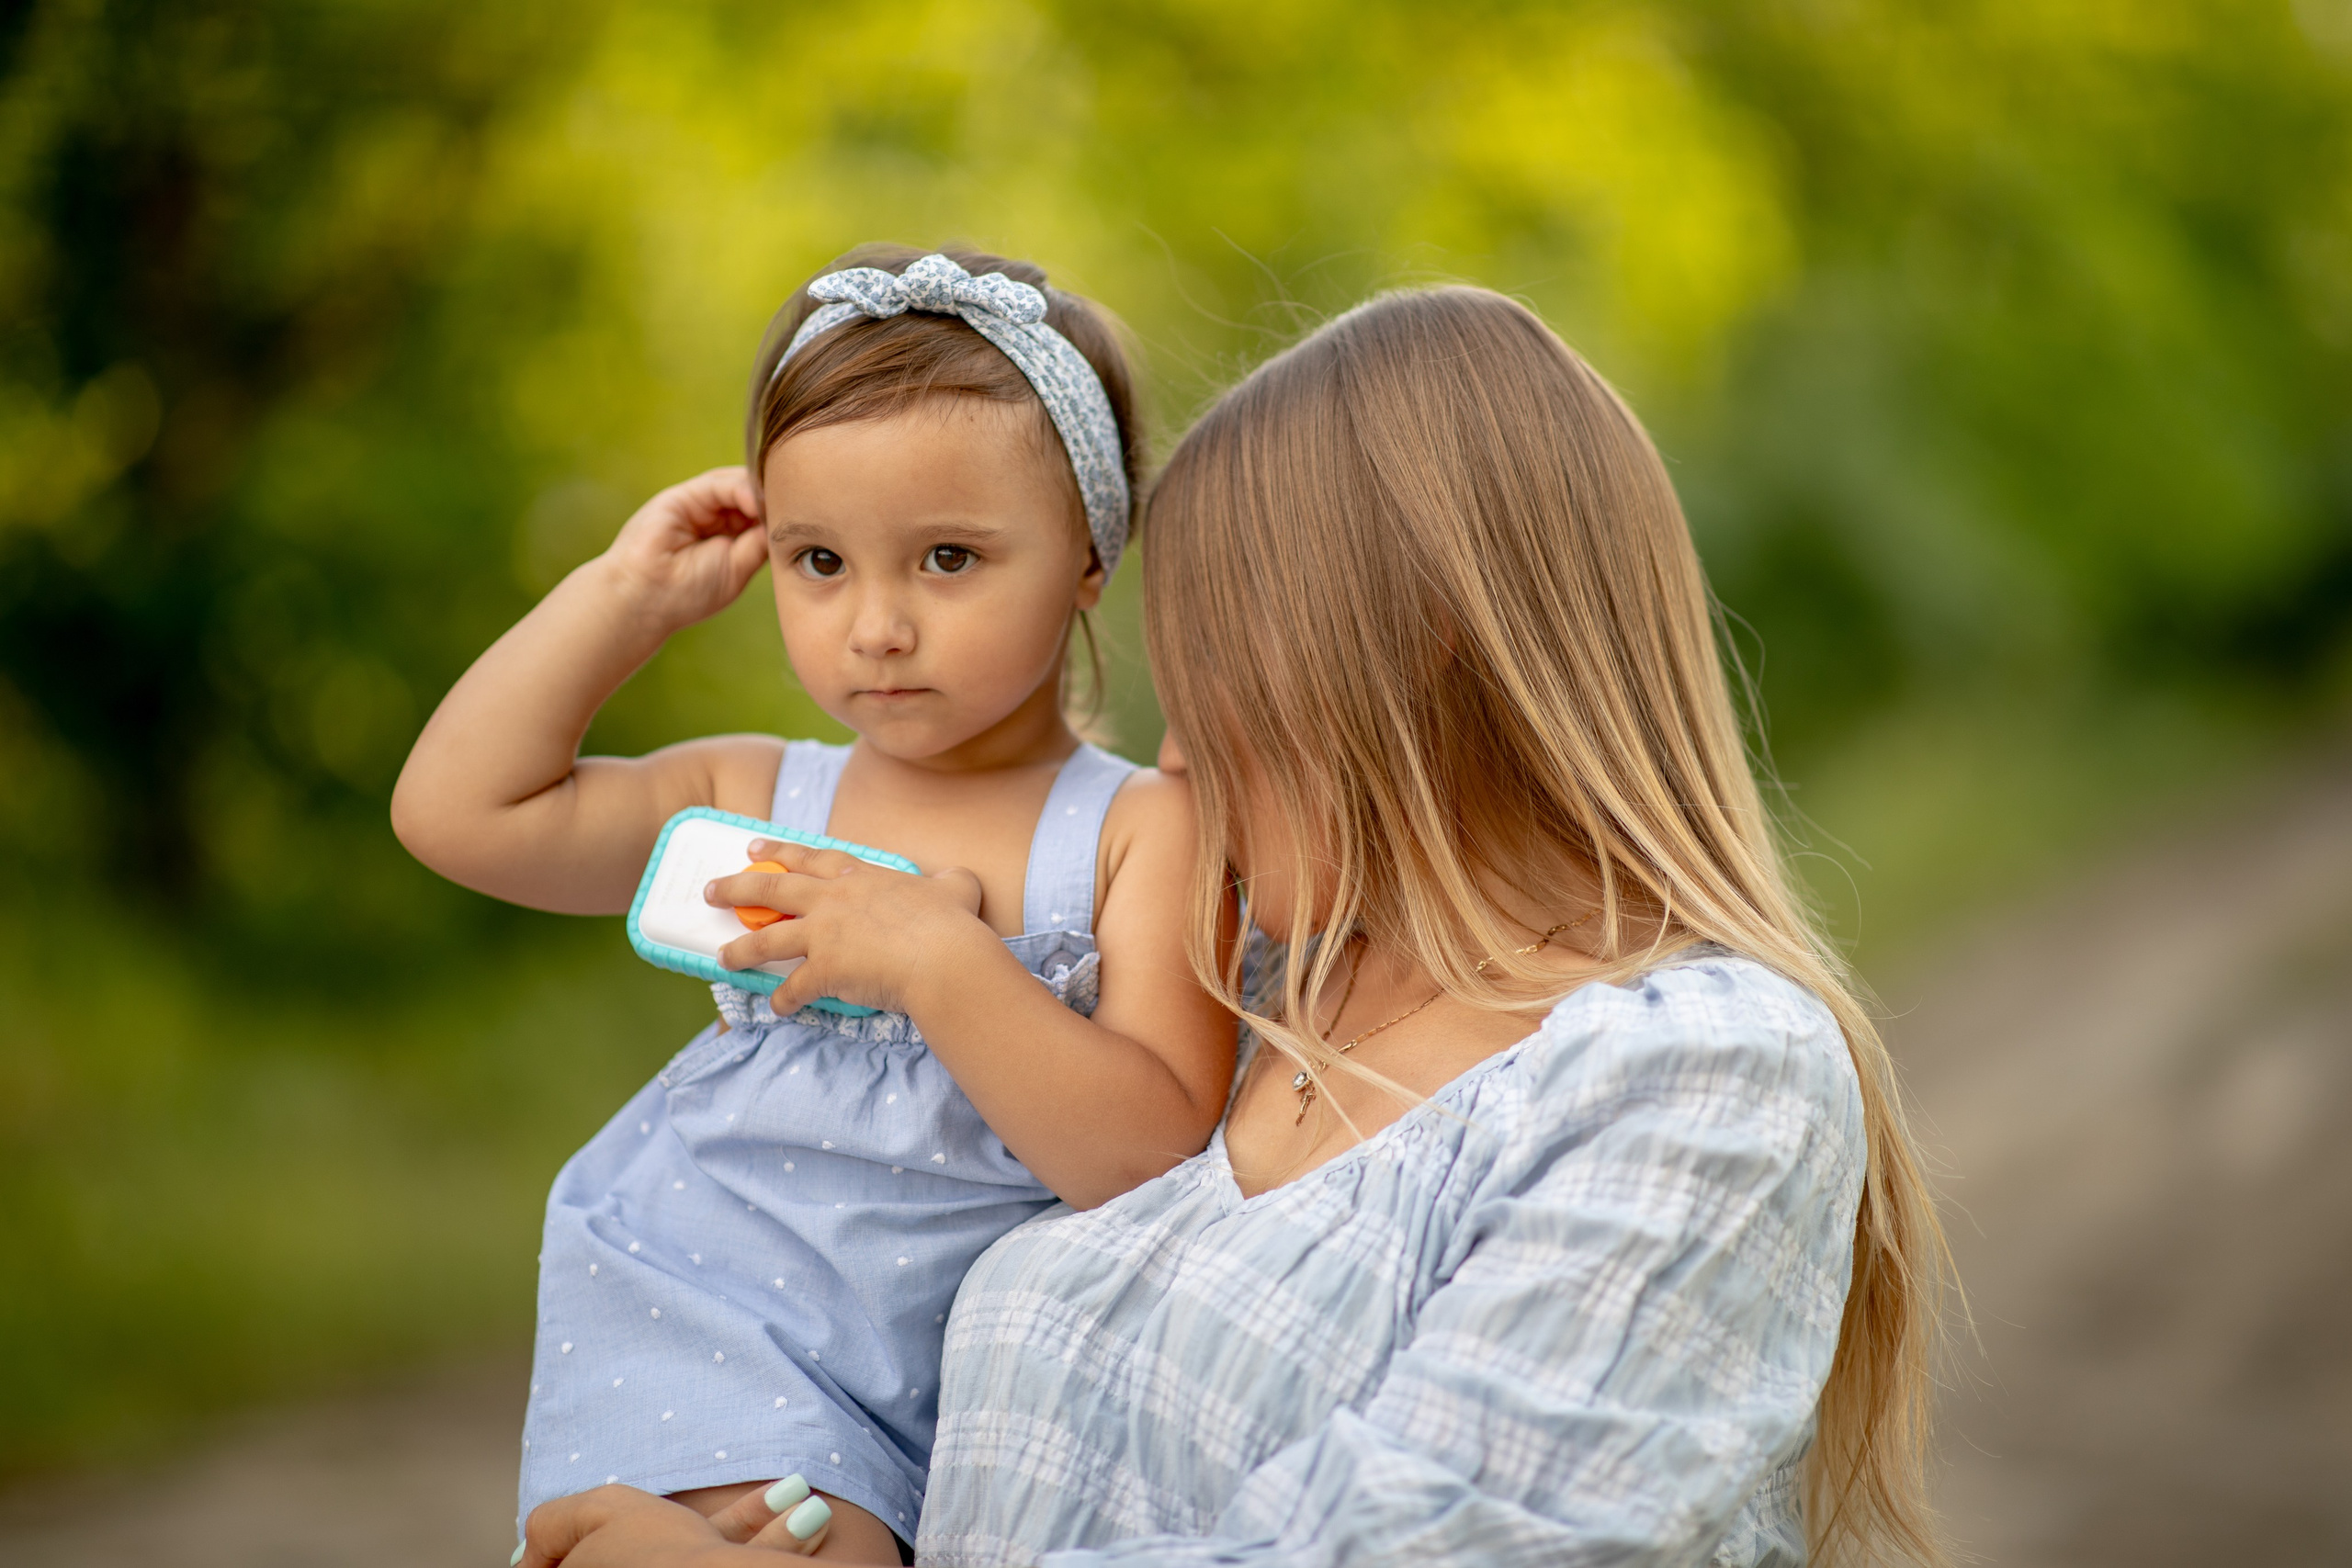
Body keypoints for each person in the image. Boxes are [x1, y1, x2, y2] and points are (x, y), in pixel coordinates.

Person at [514, 284, 1951, 1567]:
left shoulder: (1697, 1069)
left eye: (1216, 684)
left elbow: (1418, 1541)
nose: (1174, 763)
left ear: (1411, 651)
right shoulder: (1240, 994)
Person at [390, 245, 1236, 1565]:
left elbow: (1149, 1158)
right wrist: (622, 603)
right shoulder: (759, 799)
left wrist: (939, 963)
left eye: (947, 559)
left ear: (1088, 555)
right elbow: (461, 816)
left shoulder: (1140, 830)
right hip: (704, 1318)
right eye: (820, 560)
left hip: (932, 1393)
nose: (876, 626)